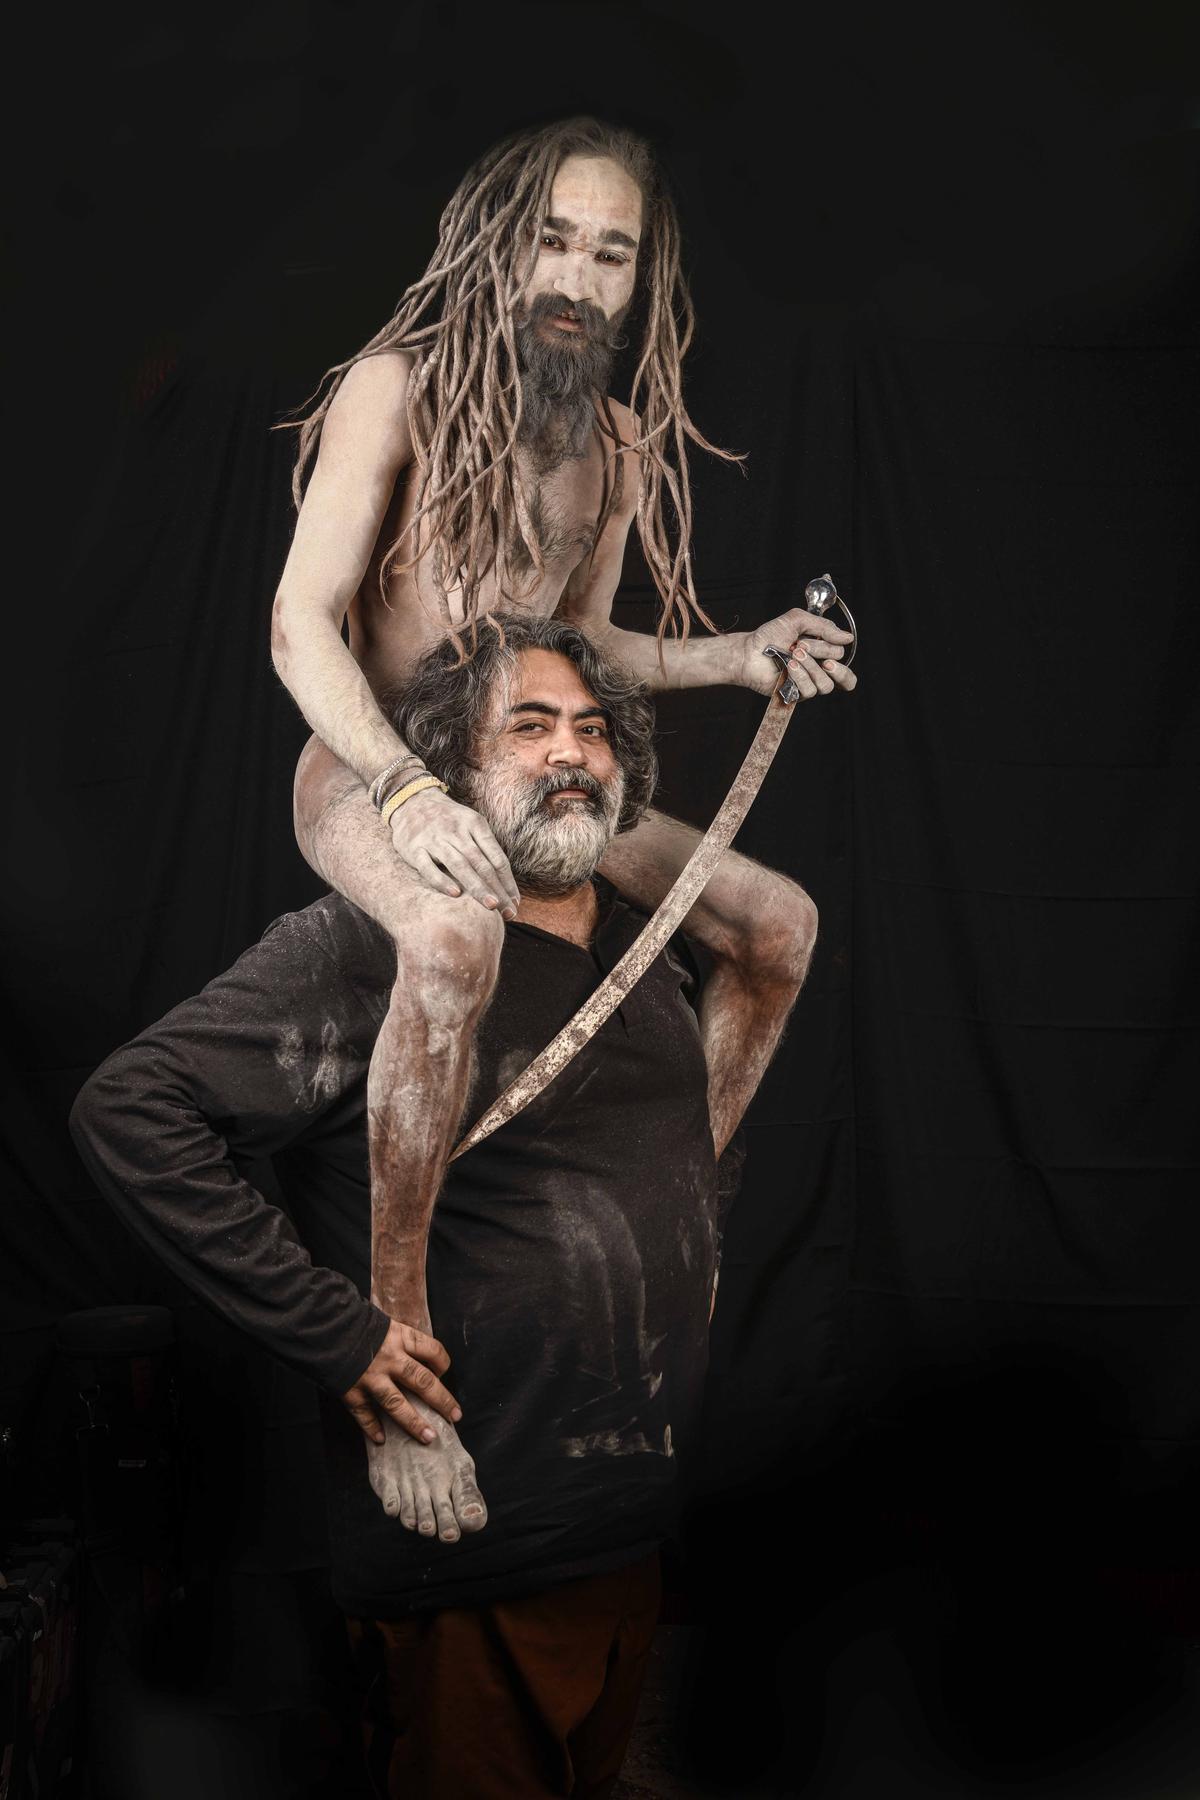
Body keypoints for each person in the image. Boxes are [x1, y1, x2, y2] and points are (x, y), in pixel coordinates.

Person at [71, 618, 820, 1796]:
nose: (570, 753)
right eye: (526, 729)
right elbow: (131, 1111)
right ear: (450, 776)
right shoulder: (372, 950)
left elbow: (673, 1152)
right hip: (469, 1562)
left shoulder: (650, 944)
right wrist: (344, 1336)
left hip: (626, 1539)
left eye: (590, 730)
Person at [268, 117, 857, 1503]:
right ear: (495, 242)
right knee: (456, 942)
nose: (576, 277)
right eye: (552, 238)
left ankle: (671, 1211)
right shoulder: (392, 391)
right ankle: (397, 1351)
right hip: (373, 762)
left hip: (535, 766)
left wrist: (737, 652)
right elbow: (300, 626)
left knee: (779, 925)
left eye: (611, 252)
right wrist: (408, 788)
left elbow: (583, 656)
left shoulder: (613, 438)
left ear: (636, 279)